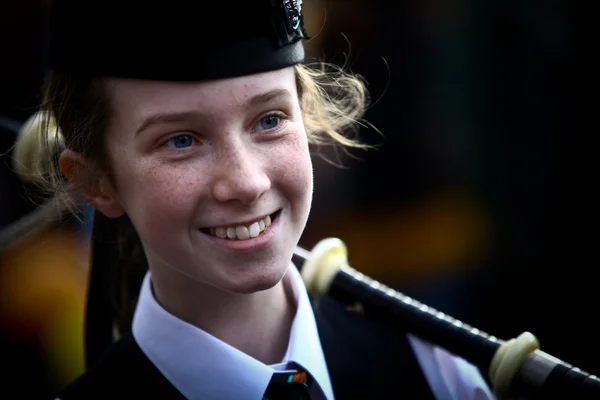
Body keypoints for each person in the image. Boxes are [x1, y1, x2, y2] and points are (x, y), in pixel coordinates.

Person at [25, 0, 495, 398]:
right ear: (96, 181)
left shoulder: (439, 376)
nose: (247, 183)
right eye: (181, 141)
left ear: (307, 116)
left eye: (269, 120)